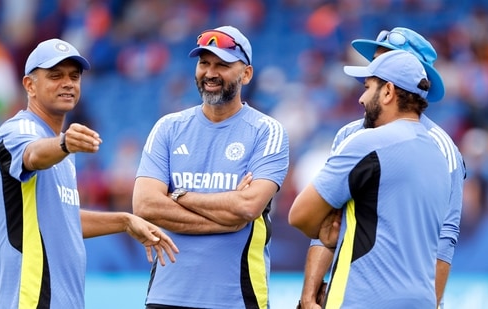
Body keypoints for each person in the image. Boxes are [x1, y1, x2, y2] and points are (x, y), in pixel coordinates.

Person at [0, 38, 179, 309]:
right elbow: (33, 154)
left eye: (74, 76)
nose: (67, 82)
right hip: (31, 301)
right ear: (30, 85)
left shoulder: (62, 151)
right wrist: (64, 144)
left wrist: (124, 221)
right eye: (55, 76)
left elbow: (63, 219)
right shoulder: (19, 131)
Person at [296, 27, 465, 309]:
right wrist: (308, 297)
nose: (373, 69)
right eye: (374, 61)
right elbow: (329, 222)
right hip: (348, 296)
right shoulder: (350, 135)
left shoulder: (442, 148)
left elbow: (445, 237)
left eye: (385, 60)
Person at [132, 25, 289, 309]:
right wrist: (227, 218)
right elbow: (145, 205)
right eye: (204, 63)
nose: (210, 73)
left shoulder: (267, 131)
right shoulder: (168, 127)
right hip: (167, 295)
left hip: (237, 297)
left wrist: (179, 196)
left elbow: (247, 207)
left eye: (223, 65)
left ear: (247, 74)